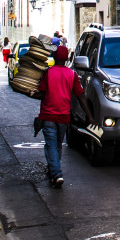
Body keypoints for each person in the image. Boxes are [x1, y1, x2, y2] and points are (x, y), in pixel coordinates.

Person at [35, 44, 82, 189]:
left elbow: (42, 94)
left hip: (48, 116)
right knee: (57, 146)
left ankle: (56, 174)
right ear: (67, 59)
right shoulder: (71, 74)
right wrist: (90, 116)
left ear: (54, 58)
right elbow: (81, 95)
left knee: (51, 146)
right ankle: (54, 172)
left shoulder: (48, 73)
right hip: (63, 117)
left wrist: (31, 93)